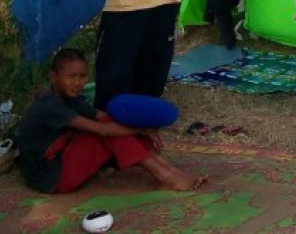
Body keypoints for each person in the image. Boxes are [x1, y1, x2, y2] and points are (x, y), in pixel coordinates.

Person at [15, 49, 204, 193]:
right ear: (54, 77)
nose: (78, 83)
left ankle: (169, 169)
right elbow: (102, 130)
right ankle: (166, 176)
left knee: (115, 123)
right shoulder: (50, 105)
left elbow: (102, 117)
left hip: (61, 160)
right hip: (50, 177)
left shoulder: (71, 99)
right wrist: (139, 131)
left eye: (82, 76)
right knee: (108, 132)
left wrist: (142, 126)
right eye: (71, 77)